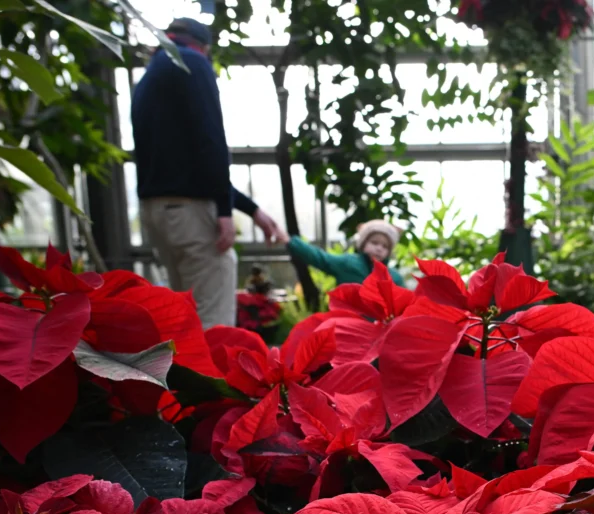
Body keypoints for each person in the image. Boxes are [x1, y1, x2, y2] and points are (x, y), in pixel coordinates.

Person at [131, 18, 288, 329]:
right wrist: (224, 211)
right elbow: (210, 139)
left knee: (185, 322)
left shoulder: (151, 75)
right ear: (203, 47)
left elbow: (188, 161)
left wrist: (252, 210)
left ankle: (183, 379)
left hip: (159, 213)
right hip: (190, 214)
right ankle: (211, 380)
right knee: (212, 325)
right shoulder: (191, 62)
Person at [286, 220, 407, 287]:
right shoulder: (347, 263)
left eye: (385, 246)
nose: (379, 248)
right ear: (363, 244)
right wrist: (291, 241)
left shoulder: (395, 278)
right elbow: (320, 258)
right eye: (374, 243)